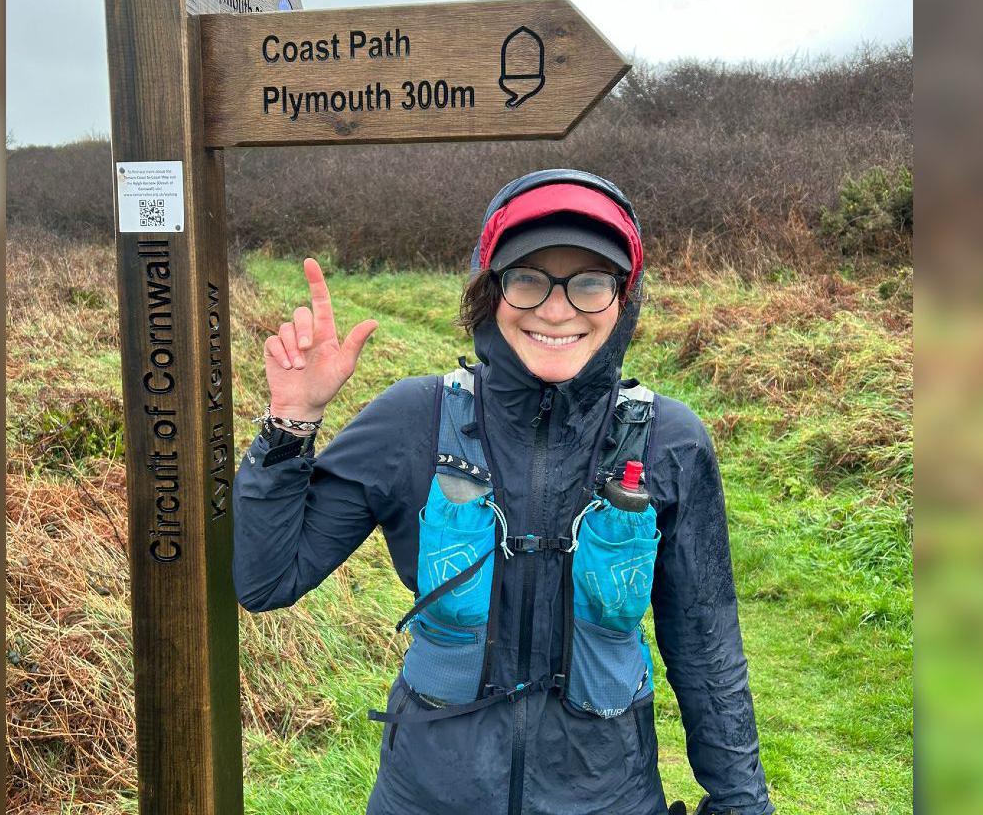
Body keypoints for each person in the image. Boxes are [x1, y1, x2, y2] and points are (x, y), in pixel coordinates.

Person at [233, 169, 774, 815]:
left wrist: (741, 804)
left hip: (610, 799)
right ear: (489, 292)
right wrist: (291, 424)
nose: (556, 307)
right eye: (527, 278)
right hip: (426, 797)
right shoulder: (414, 419)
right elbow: (265, 580)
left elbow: (708, 653)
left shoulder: (669, 442)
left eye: (590, 282)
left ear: (623, 298)